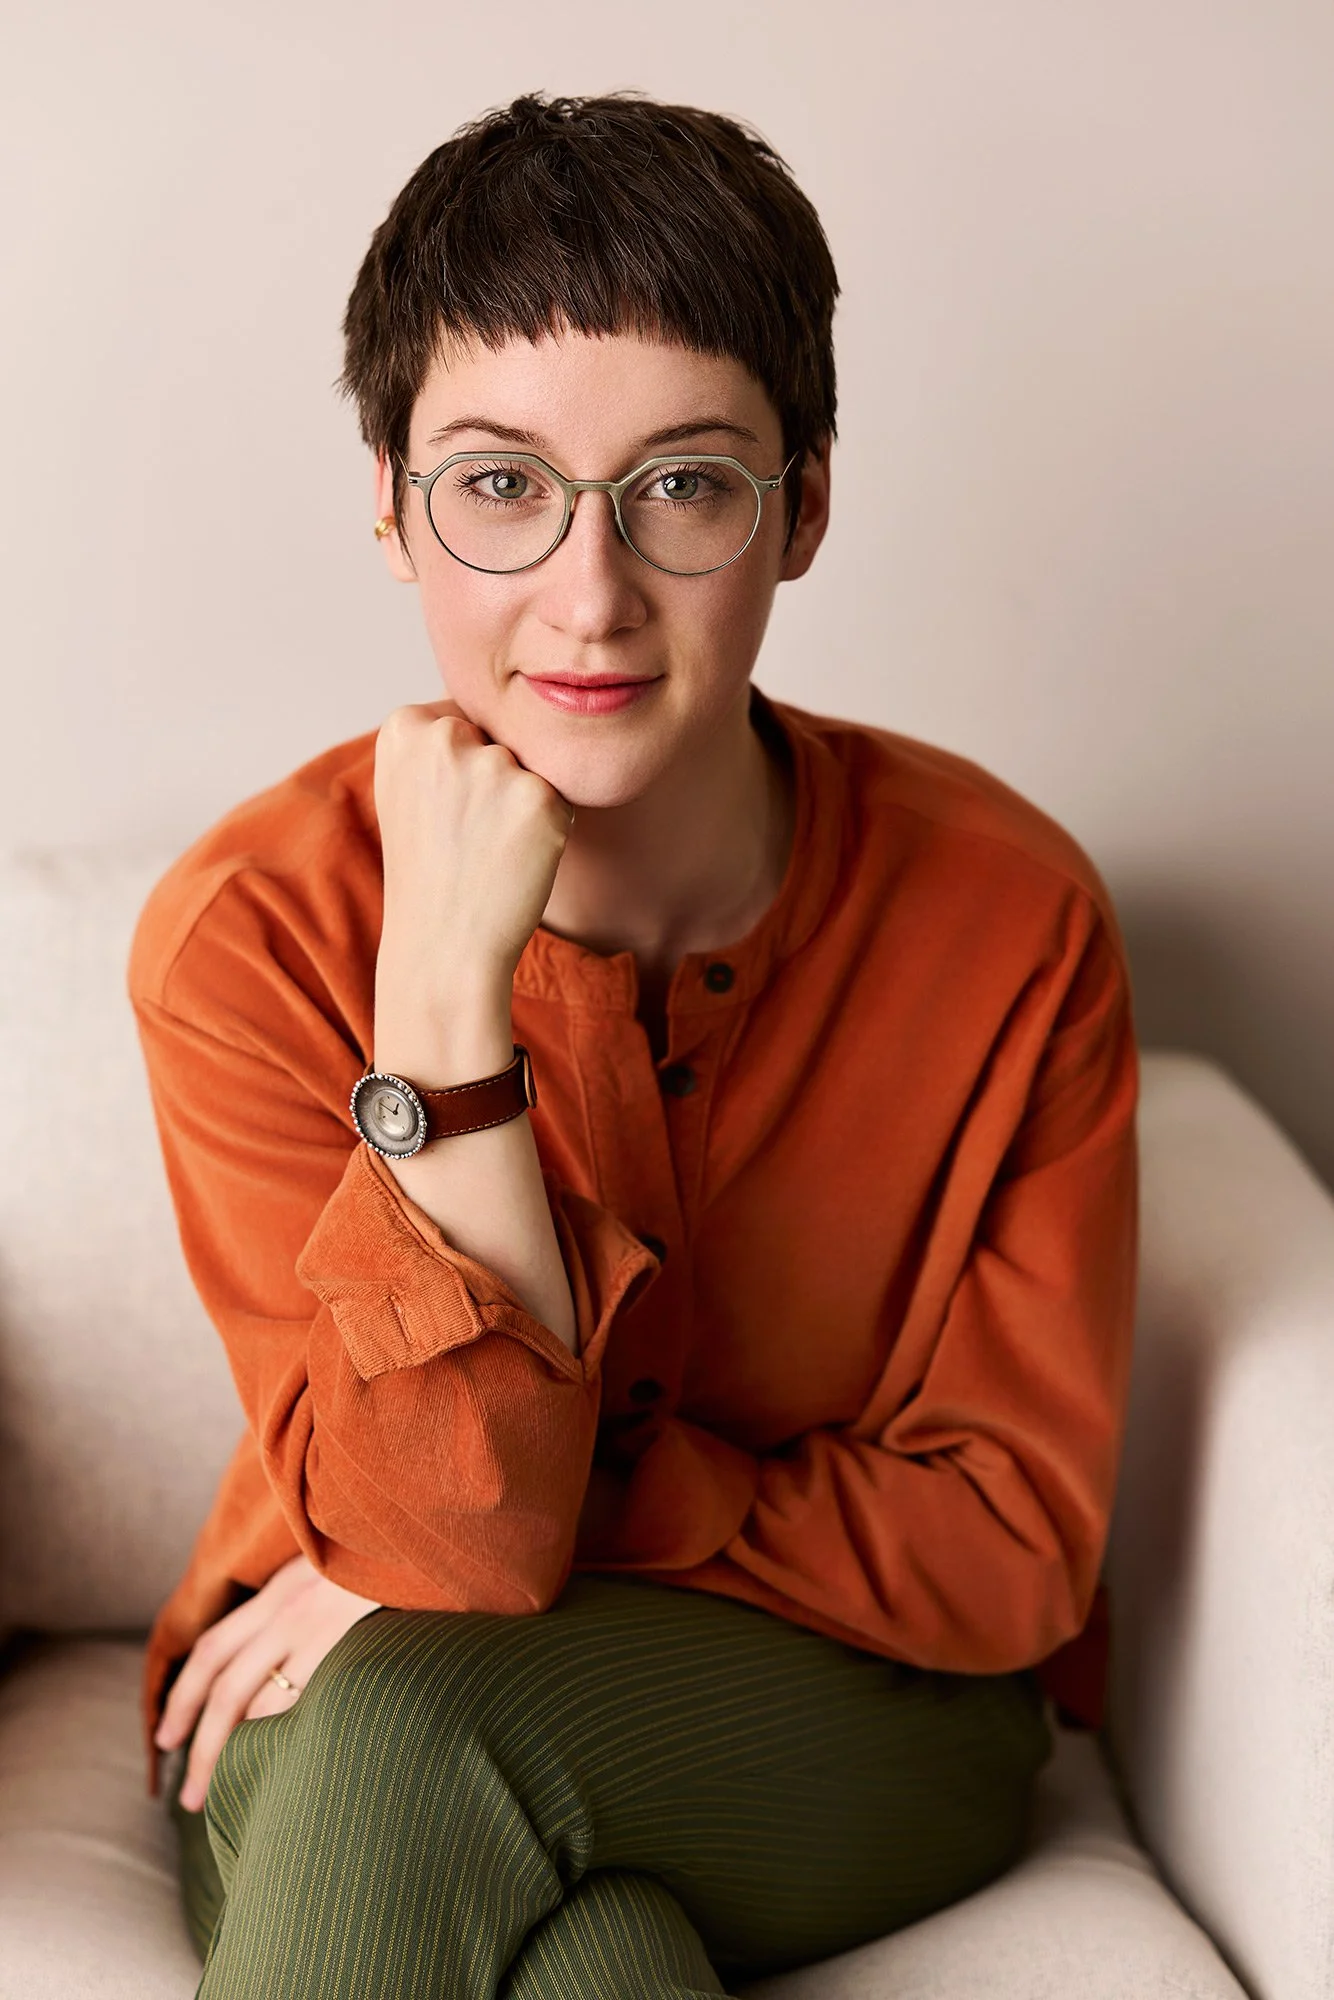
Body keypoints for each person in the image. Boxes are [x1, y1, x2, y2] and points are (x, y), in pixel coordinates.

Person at [128, 89, 1139, 1999]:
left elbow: (1007, 1548)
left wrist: (563, 1498)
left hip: (842, 1716)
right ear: (390, 504)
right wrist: (445, 1006)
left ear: (801, 506)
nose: (587, 599)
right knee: (590, 1957)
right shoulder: (251, 933)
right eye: (499, 486)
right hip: (312, 1678)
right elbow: (441, 1544)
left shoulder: (1010, 919)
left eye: (681, 486)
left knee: (412, 1725)